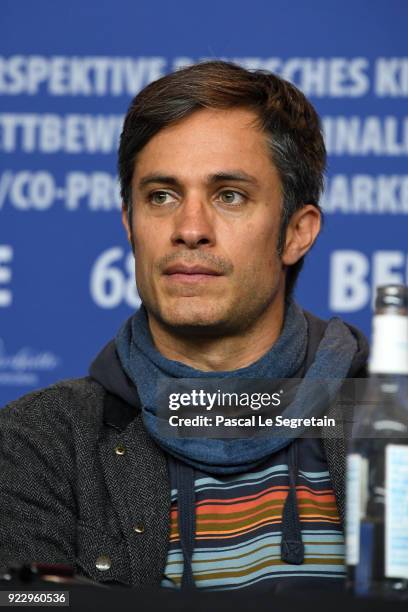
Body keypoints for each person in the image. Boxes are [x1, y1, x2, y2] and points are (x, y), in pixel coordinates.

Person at [0, 61, 367, 592]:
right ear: (130, 224)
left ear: (296, 233)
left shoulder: (388, 418)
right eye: (162, 196)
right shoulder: (38, 443)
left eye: (229, 195)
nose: (190, 229)